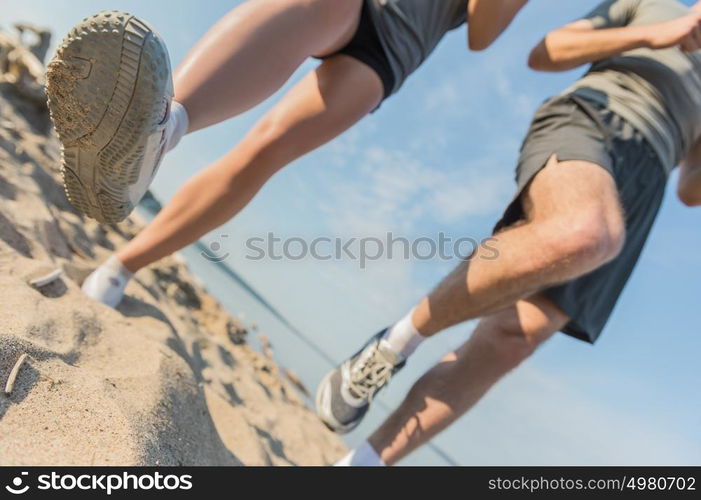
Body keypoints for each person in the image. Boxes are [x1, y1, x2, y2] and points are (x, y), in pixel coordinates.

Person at [318, 0, 701, 466]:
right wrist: (653, 35)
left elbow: (691, 191)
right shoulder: (651, 5)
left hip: (651, 179)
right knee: (586, 232)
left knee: (513, 339)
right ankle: (394, 344)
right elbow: (547, 51)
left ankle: (357, 467)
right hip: (595, 119)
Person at [45, 0, 529, 307]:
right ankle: (160, 127)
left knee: (265, 152)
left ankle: (121, 263)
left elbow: (482, 32)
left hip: (394, 49)